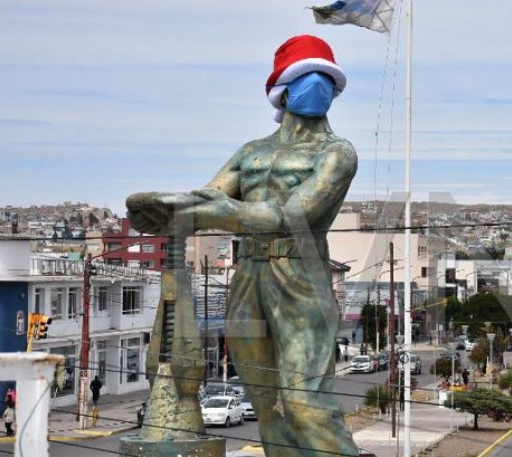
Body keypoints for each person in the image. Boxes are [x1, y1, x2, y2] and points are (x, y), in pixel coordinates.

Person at [126, 35, 358, 457]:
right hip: (248, 276)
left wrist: (206, 212)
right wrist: (162, 208)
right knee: (266, 405)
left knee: (306, 404)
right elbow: (207, 197)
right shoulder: (250, 152)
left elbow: (290, 216)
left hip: (301, 279)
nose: (317, 86)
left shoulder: (337, 153)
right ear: (282, 90)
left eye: (326, 78)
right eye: (309, 76)